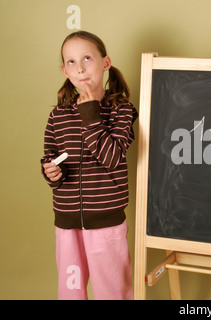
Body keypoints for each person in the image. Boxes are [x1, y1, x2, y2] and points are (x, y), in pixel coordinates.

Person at [41, 31, 138, 300]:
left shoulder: (121, 109)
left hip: (106, 222)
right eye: (71, 62)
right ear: (64, 70)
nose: (80, 68)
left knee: (112, 291)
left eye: (87, 58)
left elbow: (112, 157)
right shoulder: (58, 114)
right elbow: (49, 158)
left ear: (105, 63)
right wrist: (51, 172)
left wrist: (90, 112)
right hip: (67, 221)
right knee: (70, 291)